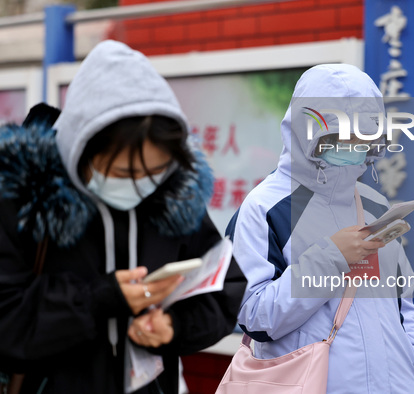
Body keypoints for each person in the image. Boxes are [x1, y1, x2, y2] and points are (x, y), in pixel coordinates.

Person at [0, 40, 246, 394]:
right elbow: (7, 317)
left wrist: (174, 326)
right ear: (82, 146)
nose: (141, 184)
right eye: (122, 171)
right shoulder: (23, 198)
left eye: (156, 169)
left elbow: (226, 288)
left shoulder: (173, 197)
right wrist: (101, 298)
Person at [226, 64, 414, 393]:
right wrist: (332, 258)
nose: (354, 145)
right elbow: (254, 317)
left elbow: (401, 300)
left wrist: (413, 359)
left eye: (363, 134)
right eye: (340, 135)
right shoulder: (265, 208)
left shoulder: (374, 203)